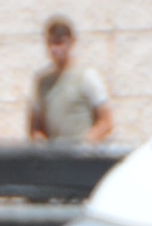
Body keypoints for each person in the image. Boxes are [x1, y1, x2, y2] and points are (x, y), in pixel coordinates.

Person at [27, 16, 113, 144]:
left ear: (72, 42)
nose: (54, 49)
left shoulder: (87, 76)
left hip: (82, 158)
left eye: (59, 42)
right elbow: (35, 127)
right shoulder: (42, 82)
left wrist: (87, 143)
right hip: (55, 158)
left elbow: (106, 122)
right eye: (50, 43)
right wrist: (40, 142)